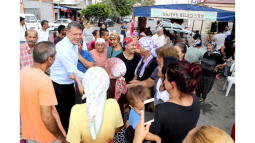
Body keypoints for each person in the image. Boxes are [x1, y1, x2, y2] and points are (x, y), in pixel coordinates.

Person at [125, 60, 203, 143]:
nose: (164, 80)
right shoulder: (195, 100)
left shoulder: (159, 112)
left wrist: (128, 127)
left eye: (166, 78)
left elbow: (142, 135)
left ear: (172, 84)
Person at [19, 41, 67, 143]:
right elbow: (47, 117)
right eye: (55, 56)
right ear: (49, 59)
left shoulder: (23, 71)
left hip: (30, 134)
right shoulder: (44, 80)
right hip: (47, 137)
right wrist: (61, 138)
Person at [66, 67, 124, 143]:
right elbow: (117, 129)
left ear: (86, 87)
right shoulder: (113, 104)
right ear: (106, 85)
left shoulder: (76, 110)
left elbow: (74, 141)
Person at [50, 21, 85, 133]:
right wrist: (92, 77)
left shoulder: (73, 44)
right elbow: (72, 71)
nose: (78, 37)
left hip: (69, 84)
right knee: (63, 118)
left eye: (80, 34)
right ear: (67, 32)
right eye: (75, 34)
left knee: (70, 114)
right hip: (59, 87)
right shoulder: (63, 48)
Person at [105, 57, 128, 142]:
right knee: (118, 131)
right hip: (118, 112)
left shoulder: (104, 81)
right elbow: (125, 99)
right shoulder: (122, 82)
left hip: (105, 112)